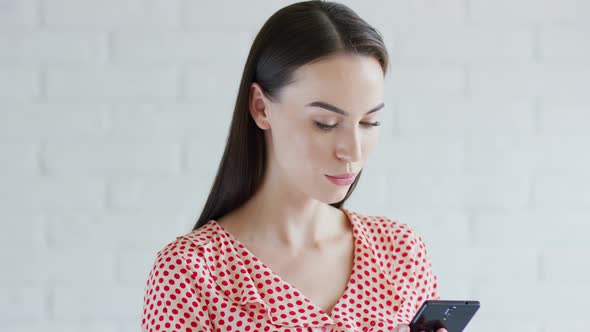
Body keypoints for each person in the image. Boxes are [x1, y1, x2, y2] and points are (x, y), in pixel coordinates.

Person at [141, 1, 444, 331]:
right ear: (261, 108)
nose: (352, 150)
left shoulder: (400, 252)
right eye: (325, 123)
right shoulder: (192, 272)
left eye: (370, 122)